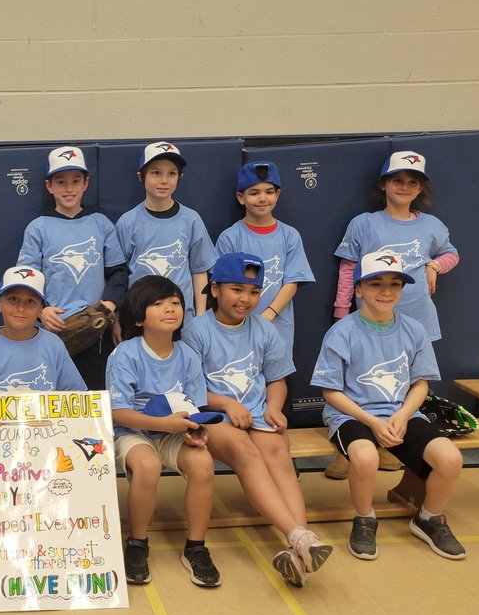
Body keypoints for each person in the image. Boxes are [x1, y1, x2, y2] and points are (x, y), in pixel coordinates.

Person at [182, 254, 332, 587]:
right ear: (216, 289)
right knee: (245, 451)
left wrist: (274, 407)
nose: (246, 299)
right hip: (211, 414)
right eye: (237, 289)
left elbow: (276, 378)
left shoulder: (264, 329)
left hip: (255, 413)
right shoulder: (197, 330)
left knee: (278, 455)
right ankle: (298, 535)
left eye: (254, 291)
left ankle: (299, 549)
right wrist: (226, 404)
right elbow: (190, 388)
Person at [311, 251, 466, 561]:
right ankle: (365, 519)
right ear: (358, 289)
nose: (386, 292)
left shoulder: (413, 330)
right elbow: (331, 391)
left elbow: (420, 383)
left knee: (450, 459)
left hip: (400, 414)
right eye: (376, 283)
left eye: (395, 284)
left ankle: (429, 518)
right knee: (366, 457)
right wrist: (372, 422)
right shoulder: (342, 332)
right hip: (351, 414)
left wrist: (403, 415)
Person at [327, 150, 458, 480]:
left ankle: (390, 444)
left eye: (412, 182)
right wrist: (342, 310)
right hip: (367, 322)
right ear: (384, 184)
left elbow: (451, 253)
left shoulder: (432, 225)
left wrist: (434, 265)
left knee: (400, 385)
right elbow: (347, 268)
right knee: (358, 382)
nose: (404, 187)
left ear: (419, 189)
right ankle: (352, 450)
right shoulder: (364, 223)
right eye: (397, 180)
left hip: (416, 319)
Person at [106, 276, 223, 587]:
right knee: (148, 466)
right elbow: (118, 412)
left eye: (175, 303)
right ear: (139, 317)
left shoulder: (187, 354)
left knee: (203, 463)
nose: (169, 309)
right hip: (133, 432)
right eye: (158, 304)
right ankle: (137, 543)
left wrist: (194, 431)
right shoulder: (125, 354)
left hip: (173, 432)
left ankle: (195, 547)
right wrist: (164, 424)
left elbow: (196, 407)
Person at [18, 146, 128, 390]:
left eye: (75, 181)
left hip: (95, 326)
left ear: (85, 183)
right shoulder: (38, 227)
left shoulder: (100, 224)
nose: (68, 188)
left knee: (92, 393)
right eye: (61, 181)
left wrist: (108, 307)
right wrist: (41, 311)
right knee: (53, 394)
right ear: (50, 186)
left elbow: (118, 272)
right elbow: (26, 280)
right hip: (53, 328)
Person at [215, 160, 314, 359]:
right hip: (238, 326)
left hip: (277, 324)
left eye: (269, 191)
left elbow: (292, 281)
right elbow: (221, 286)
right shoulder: (230, 237)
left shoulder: (289, 235)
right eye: (254, 193)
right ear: (240, 198)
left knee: (275, 379)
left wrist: (269, 314)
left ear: (277, 195)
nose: (262, 198)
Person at [116, 141, 216, 316]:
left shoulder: (191, 219)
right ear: (141, 177)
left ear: (180, 177)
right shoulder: (128, 222)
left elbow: (199, 270)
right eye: (156, 173)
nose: (164, 180)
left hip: (182, 319)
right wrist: (118, 318)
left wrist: (201, 315)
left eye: (171, 173)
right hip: (139, 318)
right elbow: (119, 275)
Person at [0, 266, 85, 400]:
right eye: (13, 299)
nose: (20, 308)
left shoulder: (54, 345)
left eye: (30, 302)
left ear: (41, 309)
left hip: (45, 421)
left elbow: (77, 396)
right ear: (0, 303)